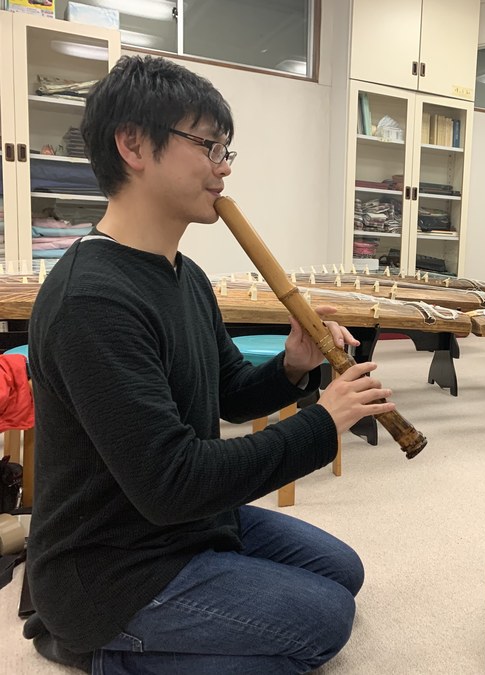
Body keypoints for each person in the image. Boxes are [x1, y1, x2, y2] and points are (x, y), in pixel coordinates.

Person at [23, 55, 395, 674]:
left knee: (341, 573)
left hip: (189, 523)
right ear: (133, 145)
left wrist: (293, 366)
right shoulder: (90, 300)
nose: (224, 167)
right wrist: (323, 423)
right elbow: (173, 482)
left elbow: (230, 394)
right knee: (323, 621)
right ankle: (92, 646)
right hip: (113, 561)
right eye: (208, 146)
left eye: (227, 150)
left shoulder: (185, 275)